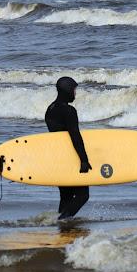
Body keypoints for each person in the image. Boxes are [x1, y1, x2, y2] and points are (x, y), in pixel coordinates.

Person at [45, 76, 92, 219]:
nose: (75, 94)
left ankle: (62, 230)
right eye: (74, 90)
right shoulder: (69, 111)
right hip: (69, 159)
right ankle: (62, 221)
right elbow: (75, 137)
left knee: (66, 196)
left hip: (57, 158)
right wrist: (84, 160)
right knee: (83, 195)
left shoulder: (50, 109)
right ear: (67, 91)